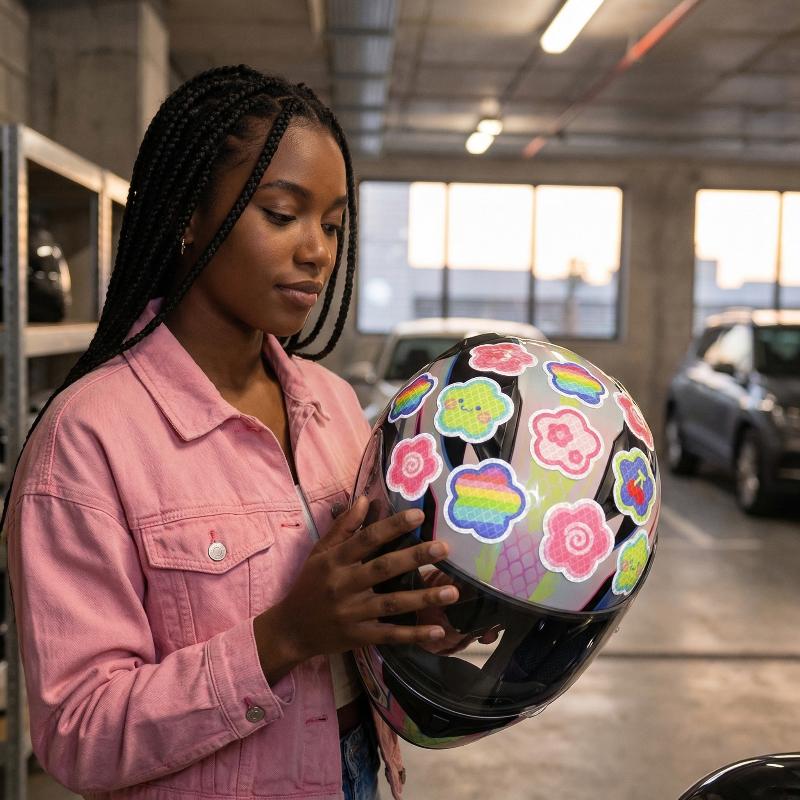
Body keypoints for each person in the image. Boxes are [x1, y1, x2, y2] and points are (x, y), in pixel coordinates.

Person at [2, 65, 460, 800]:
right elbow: (78, 733)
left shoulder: (335, 406)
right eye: (282, 214)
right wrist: (283, 637)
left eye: (332, 225)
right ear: (187, 217)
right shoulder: (88, 438)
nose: (317, 251)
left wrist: (420, 614)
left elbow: (359, 629)